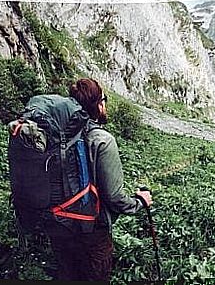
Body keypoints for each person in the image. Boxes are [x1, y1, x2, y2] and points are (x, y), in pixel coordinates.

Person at [45, 78, 152, 281]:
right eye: (104, 99)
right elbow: (114, 196)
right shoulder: (103, 140)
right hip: (91, 232)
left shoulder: (57, 135)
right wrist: (139, 202)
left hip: (58, 227)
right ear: (98, 104)